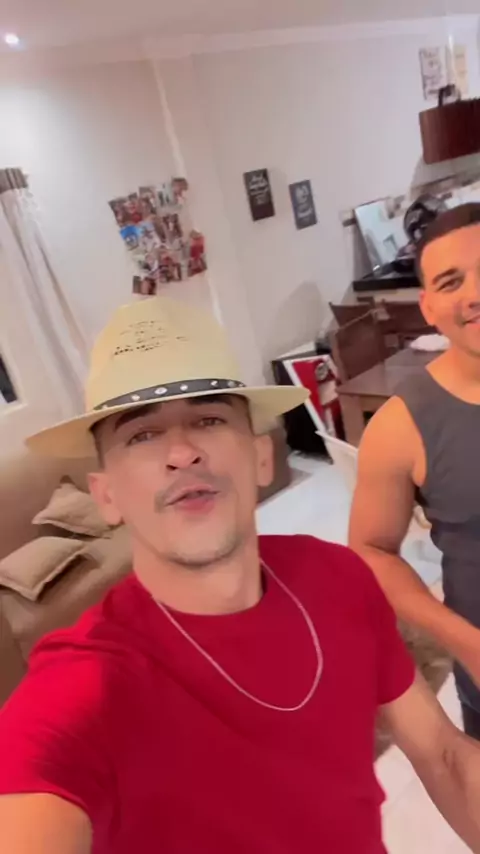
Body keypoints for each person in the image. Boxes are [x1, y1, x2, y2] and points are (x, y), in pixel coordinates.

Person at [2, 296, 480, 854]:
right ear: (105, 496)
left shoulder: (339, 577)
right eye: (141, 435)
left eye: (208, 419)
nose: (182, 452)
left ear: (261, 458)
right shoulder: (85, 688)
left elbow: (445, 755)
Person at [349, 202, 480, 742]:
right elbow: (371, 550)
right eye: (451, 282)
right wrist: (467, 643)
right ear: (428, 306)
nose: (474, 294)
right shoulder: (401, 425)